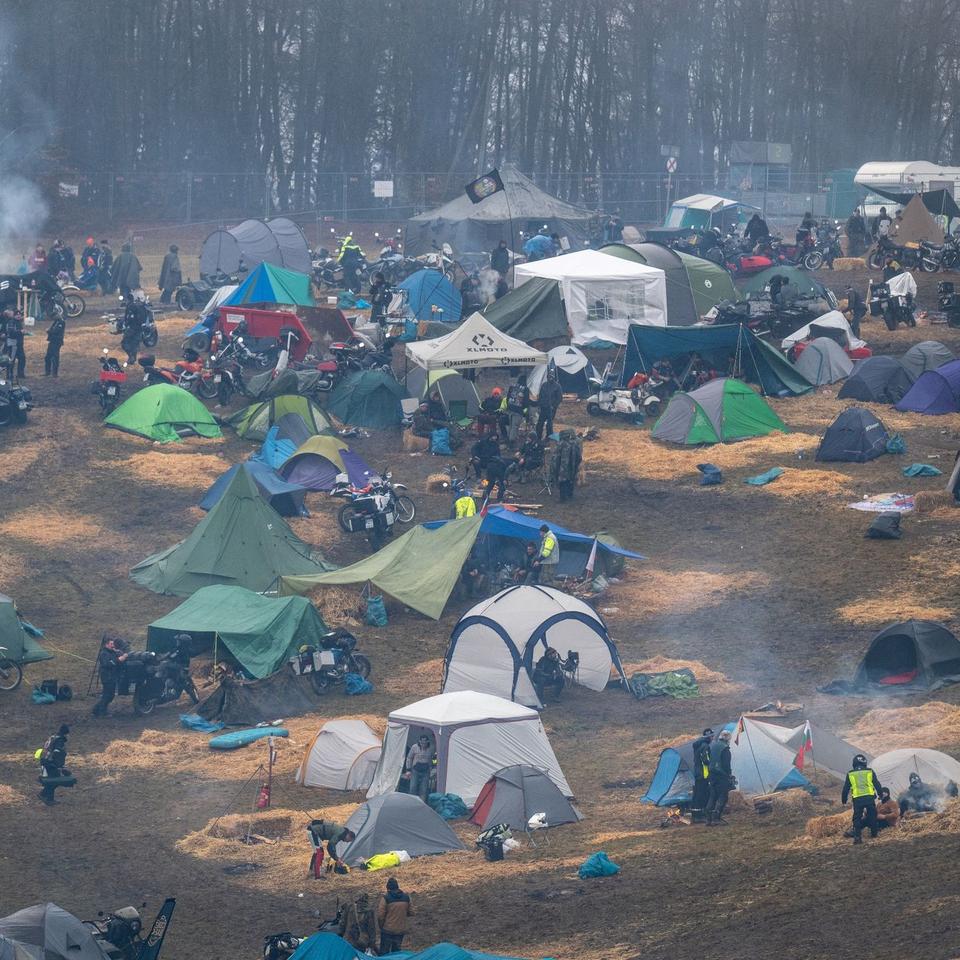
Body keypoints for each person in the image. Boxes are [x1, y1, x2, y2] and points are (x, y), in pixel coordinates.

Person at [842, 753, 882, 844]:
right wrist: (880, 794)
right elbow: (877, 784)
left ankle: (857, 837)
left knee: (857, 818)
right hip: (869, 798)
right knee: (872, 814)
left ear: (854, 763)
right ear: (864, 763)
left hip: (857, 799)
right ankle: (874, 833)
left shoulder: (850, 774)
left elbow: (845, 788)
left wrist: (844, 800)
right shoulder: (870, 771)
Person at [92, 635, 129, 717]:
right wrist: (120, 658)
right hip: (107, 677)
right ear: (106, 644)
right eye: (111, 644)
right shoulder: (104, 653)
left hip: (111, 677)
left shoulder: (111, 652)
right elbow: (108, 664)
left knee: (109, 695)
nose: (113, 645)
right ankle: (102, 712)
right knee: (108, 695)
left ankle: (96, 710)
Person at [377, 878, 413, 954]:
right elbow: (411, 912)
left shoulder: (385, 898)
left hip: (387, 930)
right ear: (397, 887)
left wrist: (381, 926)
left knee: (384, 952)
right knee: (396, 953)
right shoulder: (406, 897)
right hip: (400, 930)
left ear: (388, 888)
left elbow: (380, 915)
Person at [38, 724, 71, 806]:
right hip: (50, 763)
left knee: (53, 780)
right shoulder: (60, 740)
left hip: (46, 760)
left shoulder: (53, 737)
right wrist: (60, 767)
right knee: (54, 780)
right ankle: (48, 798)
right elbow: (57, 753)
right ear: (66, 733)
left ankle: (45, 795)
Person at [705, 729, 733, 825]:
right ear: (728, 739)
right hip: (721, 775)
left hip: (711, 774)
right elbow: (726, 765)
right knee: (723, 796)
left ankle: (708, 819)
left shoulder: (713, 746)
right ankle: (716, 818)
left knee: (713, 796)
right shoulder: (725, 749)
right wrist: (729, 775)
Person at [550, 430, 582, 501]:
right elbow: (579, 457)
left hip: (562, 467)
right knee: (570, 480)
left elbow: (556, 457)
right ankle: (570, 495)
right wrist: (576, 465)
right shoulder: (574, 444)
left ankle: (563, 498)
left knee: (562, 481)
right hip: (572, 467)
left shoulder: (560, 444)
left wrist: (554, 468)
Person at [691, 728, 714, 816]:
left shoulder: (698, 744)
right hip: (703, 774)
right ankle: (700, 814)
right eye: (711, 737)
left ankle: (696, 813)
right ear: (708, 737)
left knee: (697, 793)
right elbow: (706, 760)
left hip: (697, 772)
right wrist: (711, 762)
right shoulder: (705, 746)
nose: (712, 739)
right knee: (702, 793)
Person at [405, 734, 435, 802]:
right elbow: (409, 758)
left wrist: (432, 769)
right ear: (419, 741)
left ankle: (422, 804)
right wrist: (408, 769)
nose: (423, 744)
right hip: (415, 770)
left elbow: (434, 759)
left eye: (424, 742)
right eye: (421, 742)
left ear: (427, 742)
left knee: (424, 789)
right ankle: (411, 802)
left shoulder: (432, 748)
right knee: (412, 787)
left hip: (426, 771)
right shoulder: (414, 747)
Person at [535, 372, 563, 441]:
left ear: (554, 377)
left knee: (549, 424)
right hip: (543, 407)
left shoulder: (557, 386)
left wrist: (554, 406)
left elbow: (559, 398)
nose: (550, 378)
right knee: (539, 423)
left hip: (551, 408)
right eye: (549, 377)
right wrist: (539, 405)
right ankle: (538, 437)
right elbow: (540, 396)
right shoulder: (544, 385)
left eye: (552, 377)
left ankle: (549, 438)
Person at [505, 373, 530, 442]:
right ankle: (512, 441)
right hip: (518, 410)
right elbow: (526, 401)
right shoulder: (525, 389)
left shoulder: (512, 387)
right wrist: (523, 408)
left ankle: (508, 438)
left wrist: (509, 405)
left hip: (510, 408)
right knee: (515, 426)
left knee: (510, 425)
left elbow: (507, 398)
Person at [44, 312, 65, 377]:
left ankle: (54, 373)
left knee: (55, 357)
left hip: (57, 341)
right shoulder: (56, 321)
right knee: (48, 357)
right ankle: (48, 372)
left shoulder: (61, 322)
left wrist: (48, 331)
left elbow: (56, 331)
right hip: (52, 341)